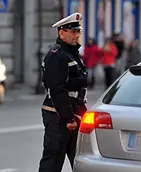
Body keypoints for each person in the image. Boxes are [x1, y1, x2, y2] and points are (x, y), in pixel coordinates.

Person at [38, 12, 87, 172]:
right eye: (73, 32)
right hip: (59, 116)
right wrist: (68, 118)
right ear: (62, 33)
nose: (77, 35)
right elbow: (57, 90)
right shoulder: (57, 56)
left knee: (81, 159)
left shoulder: (71, 54)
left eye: (78, 31)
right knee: (52, 160)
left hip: (74, 113)